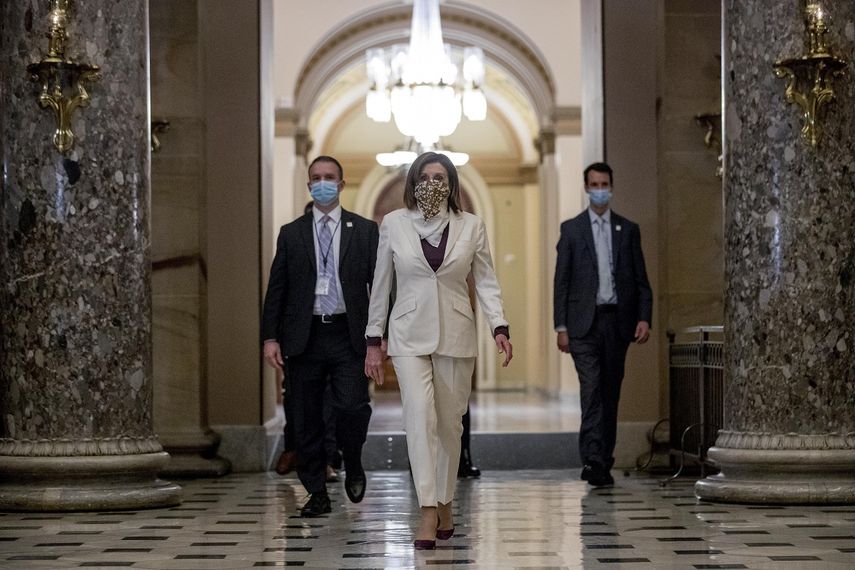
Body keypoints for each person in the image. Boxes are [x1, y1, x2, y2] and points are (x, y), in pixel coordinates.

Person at [364, 151, 512, 549]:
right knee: (418, 417)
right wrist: (373, 340)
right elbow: (381, 284)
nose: (433, 184)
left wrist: (499, 326)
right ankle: (428, 509)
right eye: (426, 177)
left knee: (449, 423)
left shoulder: (471, 226)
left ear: (452, 184)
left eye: (441, 177)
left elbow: (486, 280)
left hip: (456, 332)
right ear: (413, 182)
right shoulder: (394, 224)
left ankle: (446, 500)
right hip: (408, 333)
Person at [262, 155, 378, 517]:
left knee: (351, 406)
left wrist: (381, 335)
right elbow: (276, 289)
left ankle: (353, 459)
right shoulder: (291, 233)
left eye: (330, 177)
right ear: (308, 184)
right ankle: (316, 490)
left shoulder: (363, 230)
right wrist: (270, 337)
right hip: (305, 336)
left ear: (342, 185)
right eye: (316, 177)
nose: (322, 182)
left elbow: (381, 284)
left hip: (348, 334)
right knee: (306, 417)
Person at [553, 162, 652, 488]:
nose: (600, 188)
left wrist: (644, 317)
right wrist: (561, 327)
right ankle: (593, 460)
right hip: (584, 325)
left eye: (604, 183)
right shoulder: (572, 230)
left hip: (618, 323)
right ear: (586, 187)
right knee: (592, 390)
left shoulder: (628, 229)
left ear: (611, 185)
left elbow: (641, 281)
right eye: (594, 183)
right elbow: (562, 282)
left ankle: (604, 459)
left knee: (610, 393)